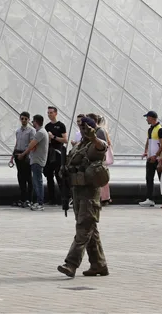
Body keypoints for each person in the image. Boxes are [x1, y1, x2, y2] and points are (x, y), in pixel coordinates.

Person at [57, 117, 109, 278]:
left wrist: (94, 137)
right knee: (90, 230)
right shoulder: (78, 146)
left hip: (89, 195)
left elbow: (103, 147)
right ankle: (99, 264)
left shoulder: (94, 145)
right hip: (77, 192)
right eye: (81, 127)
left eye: (86, 127)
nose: (82, 130)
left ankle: (71, 264)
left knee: (83, 229)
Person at [21, 114, 48, 211]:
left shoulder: (40, 132)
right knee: (37, 182)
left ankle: (40, 203)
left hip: (37, 160)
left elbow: (31, 145)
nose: (32, 123)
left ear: (36, 122)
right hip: (37, 160)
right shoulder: (41, 132)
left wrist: (23, 154)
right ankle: (39, 202)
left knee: (38, 182)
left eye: (33, 121)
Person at [139, 111, 162, 207]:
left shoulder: (160, 130)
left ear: (152, 118)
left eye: (147, 117)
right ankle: (149, 199)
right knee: (149, 178)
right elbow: (148, 141)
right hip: (150, 158)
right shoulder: (150, 129)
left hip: (158, 159)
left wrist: (156, 156)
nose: (146, 119)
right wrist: (146, 151)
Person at [10, 112, 35, 207]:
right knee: (20, 177)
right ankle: (23, 198)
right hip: (18, 154)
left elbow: (31, 145)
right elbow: (16, 144)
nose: (24, 120)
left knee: (28, 177)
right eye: (22, 118)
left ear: (29, 120)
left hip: (26, 155)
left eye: (25, 119)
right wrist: (12, 157)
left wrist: (25, 154)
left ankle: (29, 199)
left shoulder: (31, 131)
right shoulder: (18, 131)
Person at [44, 106, 68, 205]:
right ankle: (51, 199)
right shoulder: (47, 126)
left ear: (56, 113)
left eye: (51, 112)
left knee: (59, 176)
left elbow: (65, 140)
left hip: (58, 153)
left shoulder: (61, 125)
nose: (49, 114)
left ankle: (63, 198)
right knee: (49, 176)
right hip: (49, 154)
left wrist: (53, 137)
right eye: (48, 113)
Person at [92, 115, 114, 205]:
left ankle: (104, 197)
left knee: (102, 177)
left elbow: (104, 144)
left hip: (101, 157)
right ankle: (105, 197)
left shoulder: (100, 131)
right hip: (102, 158)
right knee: (103, 177)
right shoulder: (102, 130)